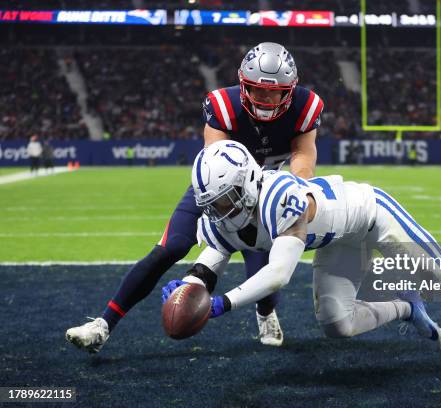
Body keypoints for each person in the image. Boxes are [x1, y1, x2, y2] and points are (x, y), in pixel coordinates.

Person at [163, 140, 441, 370]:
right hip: (336, 240)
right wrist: (189, 287)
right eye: (211, 204)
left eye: (226, 199)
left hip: (371, 215)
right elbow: (210, 261)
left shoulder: (279, 196)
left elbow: (279, 273)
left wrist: (219, 305)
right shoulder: (223, 214)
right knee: (338, 325)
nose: (219, 211)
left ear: (248, 180)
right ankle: (407, 308)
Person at [66, 42, 323, 352]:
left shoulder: (305, 106)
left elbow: (303, 155)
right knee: (170, 247)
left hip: (266, 190)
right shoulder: (222, 105)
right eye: (257, 90)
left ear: (290, 90)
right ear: (244, 85)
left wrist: (296, 186)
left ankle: (266, 313)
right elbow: (214, 160)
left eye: (275, 91)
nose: (266, 98)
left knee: (262, 267)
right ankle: (103, 324)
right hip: (219, 187)